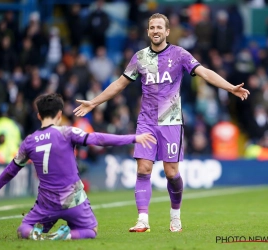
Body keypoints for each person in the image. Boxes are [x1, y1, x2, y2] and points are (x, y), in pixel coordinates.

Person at [73, 13, 250, 233]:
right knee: (143, 168)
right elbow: (120, 84)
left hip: (171, 122)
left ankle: (175, 216)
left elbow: (204, 72)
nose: (155, 31)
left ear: (167, 31)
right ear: (148, 32)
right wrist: (94, 102)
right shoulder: (139, 58)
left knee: (171, 173)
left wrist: (230, 87)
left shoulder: (180, 54)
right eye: (152, 27)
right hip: (146, 122)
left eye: (159, 27)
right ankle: (142, 220)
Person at [0, 93, 156, 240]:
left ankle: (33, 234)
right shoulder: (67, 132)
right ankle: (68, 235)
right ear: (59, 114)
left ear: (39, 115)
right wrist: (134, 138)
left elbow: (12, 169)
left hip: (46, 205)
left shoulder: (29, 141)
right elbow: (98, 139)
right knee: (91, 230)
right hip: (73, 202)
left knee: (23, 229)